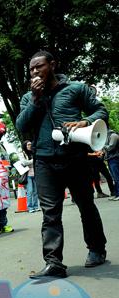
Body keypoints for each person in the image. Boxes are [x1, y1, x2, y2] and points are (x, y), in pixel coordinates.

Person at [16, 51, 108, 279]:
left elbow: (101, 111)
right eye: (31, 69)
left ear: (53, 65)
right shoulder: (29, 98)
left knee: (86, 205)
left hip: (75, 158)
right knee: (50, 213)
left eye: (40, 66)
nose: (35, 71)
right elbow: (21, 124)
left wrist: (85, 122)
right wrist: (36, 101)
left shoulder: (76, 89)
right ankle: (54, 262)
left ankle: (97, 249)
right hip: (45, 160)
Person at [21, 140, 40, 212]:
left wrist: (31, 161)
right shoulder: (23, 153)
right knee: (30, 191)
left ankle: (35, 206)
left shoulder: (33, 152)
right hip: (28, 175)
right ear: (25, 146)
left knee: (36, 191)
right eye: (28, 145)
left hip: (35, 174)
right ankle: (30, 207)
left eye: (30, 144)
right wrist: (33, 160)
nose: (30, 146)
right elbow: (24, 162)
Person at [102, 129, 119, 200]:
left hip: (115, 158)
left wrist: (102, 145)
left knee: (117, 177)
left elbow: (110, 147)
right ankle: (117, 194)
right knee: (115, 177)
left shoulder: (113, 136)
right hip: (111, 159)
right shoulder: (108, 136)